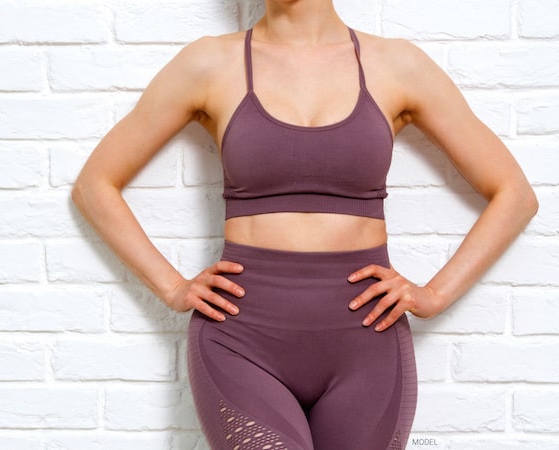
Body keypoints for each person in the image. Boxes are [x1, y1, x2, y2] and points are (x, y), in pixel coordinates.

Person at [71, 0, 538, 449]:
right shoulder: (209, 62)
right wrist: (172, 287)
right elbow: (95, 185)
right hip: (241, 338)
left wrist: (434, 295)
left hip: (367, 344)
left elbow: (514, 195)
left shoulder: (397, 64)